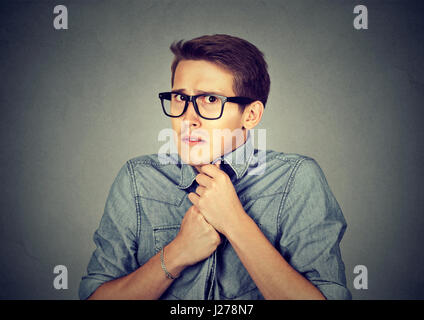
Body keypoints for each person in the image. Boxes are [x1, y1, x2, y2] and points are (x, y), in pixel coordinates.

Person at [79, 34, 351, 300]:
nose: (188, 118)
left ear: (251, 114)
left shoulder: (297, 180)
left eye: (210, 100)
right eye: (180, 98)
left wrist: (235, 223)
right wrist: (177, 253)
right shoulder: (137, 179)